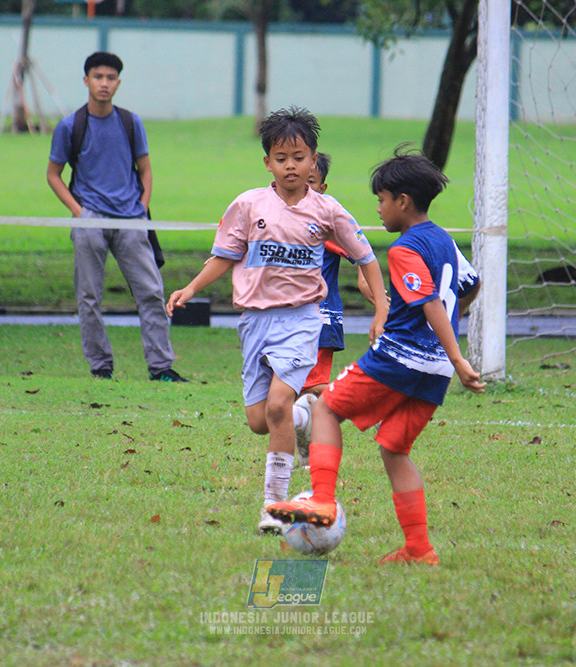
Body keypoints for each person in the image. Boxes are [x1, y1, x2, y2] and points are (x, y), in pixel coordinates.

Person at [166, 107, 390, 535]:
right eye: (282, 158)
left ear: (313, 161)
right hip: (255, 322)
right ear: (267, 161)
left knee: (275, 406)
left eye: (299, 157)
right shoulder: (248, 205)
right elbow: (224, 257)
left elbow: (366, 258)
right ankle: (306, 416)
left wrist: (381, 308)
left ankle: (273, 506)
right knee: (260, 421)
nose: (291, 166)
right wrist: (191, 288)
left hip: (302, 320)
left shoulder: (327, 211)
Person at [266, 147, 487, 565]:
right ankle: (419, 549)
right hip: (435, 370)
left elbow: (430, 304)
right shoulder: (444, 240)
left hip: (399, 358)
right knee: (394, 450)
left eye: (382, 200)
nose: (379, 208)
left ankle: (323, 501)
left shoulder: (404, 250)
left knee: (326, 409)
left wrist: (460, 358)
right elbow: (471, 284)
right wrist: (449, 346)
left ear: (402, 201)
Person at [47, 51, 187, 383]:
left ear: (118, 83)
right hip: (90, 219)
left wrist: (142, 208)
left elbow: (145, 169)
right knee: (89, 297)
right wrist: (79, 213)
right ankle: (101, 367)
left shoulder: (130, 122)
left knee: (151, 293)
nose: (104, 84)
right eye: (98, 77)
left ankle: (161, 367)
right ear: (86, 81)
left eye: (111, 78)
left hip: (130, 219)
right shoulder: (70, 126)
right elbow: (53, 174)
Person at [292, 152, 378, 465]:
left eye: (311, 182)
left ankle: (373, 402)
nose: (304, 188)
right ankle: (307, 448)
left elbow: (362, 253)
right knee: (298, 392)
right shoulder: (281, 215)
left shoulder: (323, 219)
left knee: (310, 386)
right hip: (289, 317)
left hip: (320, 317)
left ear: (322, 187)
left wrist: (371, 289)